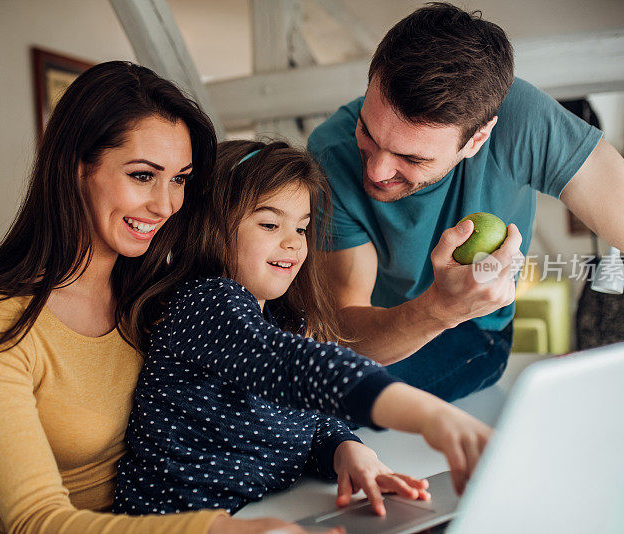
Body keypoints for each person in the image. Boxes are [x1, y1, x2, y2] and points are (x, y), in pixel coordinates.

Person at [0, 61, 336, 534]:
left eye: (180, 179)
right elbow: (33, 520)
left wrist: (340, 448)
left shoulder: (164, 292)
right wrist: (217, 530)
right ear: (78, 167)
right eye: (143, 175)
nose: (166, 204)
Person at [307, 2, 624, 401]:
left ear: (477, 139)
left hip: (476, 332)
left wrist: (447, 311)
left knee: (322, 399)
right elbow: (345, 330)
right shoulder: (329, 152)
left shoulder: (523, 121)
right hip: (384, 324)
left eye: (412, 158)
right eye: (368, 132)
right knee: (302, 378)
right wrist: (434, 308)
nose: (376, 170)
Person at [113, 140, 492, 519]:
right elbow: (291, 367)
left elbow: (305, 422)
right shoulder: (206, 303)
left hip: (266, 513)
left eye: (302, 227)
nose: (294, 242)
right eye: (270, 224)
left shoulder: (282, 317)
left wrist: (346, 450)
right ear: (211, 227)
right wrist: (429, 416)